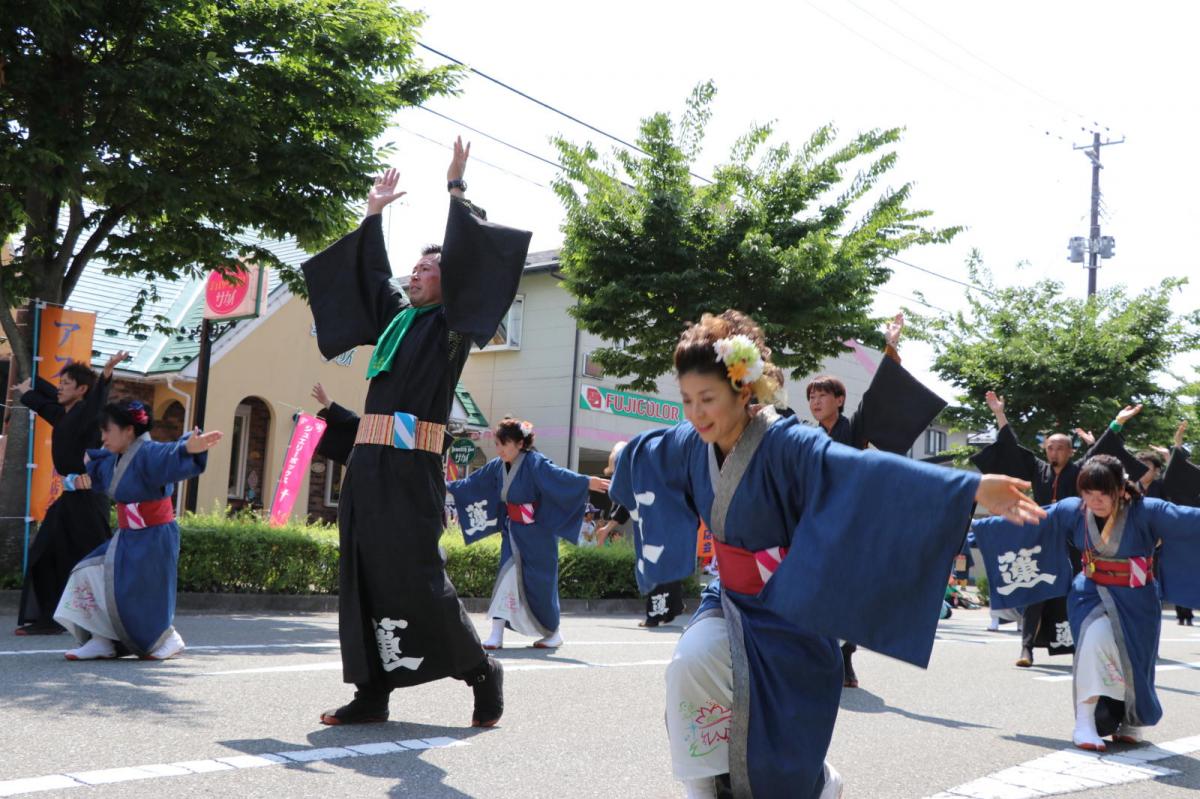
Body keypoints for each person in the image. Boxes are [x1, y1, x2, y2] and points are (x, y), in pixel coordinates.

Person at [609, 310, 1044, 799]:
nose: (696, 413)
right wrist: (623, 456)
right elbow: (649, 450)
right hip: (730, 598)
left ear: (743, 389)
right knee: (689, 666)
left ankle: (820, 782)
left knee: (783, 759)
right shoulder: (691, 441)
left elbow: (861, 471)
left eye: (707, 399)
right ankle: (700, 791)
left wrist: (966, 488)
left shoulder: (788, 443)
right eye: (687, 400)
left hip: (792, 608)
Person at [303, 139, 531, 727]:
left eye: (431, 269)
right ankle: (371, 691)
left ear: (450, 283)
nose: (418, 273)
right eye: (418, 267)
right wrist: (373, 214)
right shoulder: (396, 319)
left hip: (413, 471)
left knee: (417, 575)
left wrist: (455, 189)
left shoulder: (450, 326)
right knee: (361, 573)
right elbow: (373, 272)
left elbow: (474, 261)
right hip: (370, 466)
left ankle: (481, 668)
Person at [973, 454, 1200, 751]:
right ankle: (1085, 722)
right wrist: (972, 536)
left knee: (1134, 661)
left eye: (1103, 492)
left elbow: (1191, 522)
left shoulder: (1148, 511)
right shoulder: (1073, 510)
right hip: (1090, 592)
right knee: (1094, 642)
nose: (1094, 500)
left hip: (1137, 598)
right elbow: (1031, 522)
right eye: (1087, 493)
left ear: (1120, 488)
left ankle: (1130, 722)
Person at [804, 313, 948, 689]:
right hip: (819, 522)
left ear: (839, 399)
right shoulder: (807, 438)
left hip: (856, 521)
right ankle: (818, 657)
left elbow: (880, 393)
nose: (816, 401)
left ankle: (846, 657)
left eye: (822, 395)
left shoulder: (857, 427)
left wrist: (892, 346)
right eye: (811, 396)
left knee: (851, 591)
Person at [973, 392, 1147, 668]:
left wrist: (1117, 423)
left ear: (1070, 451)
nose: (1054, 452)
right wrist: (999, 413)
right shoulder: (1037, 469)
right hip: (1041, 539)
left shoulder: (1080, 470)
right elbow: (1012, 446)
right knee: (1036, 591)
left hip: (1075, 541)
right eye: (1050, 447)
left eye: (1060, 448)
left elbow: (1102, 448)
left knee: (1079, 592)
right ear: (1045, 449)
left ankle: (1083, 647)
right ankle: (1026, 648)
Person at [53, 399, 220, 660]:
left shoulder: (149, 453)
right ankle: (102, 639)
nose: (103, 437)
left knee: (145, 594)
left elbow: (169, 455)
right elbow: (100, 478)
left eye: (107, 430)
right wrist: (74, 481)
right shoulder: (113, 459)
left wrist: (188, 447)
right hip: (128, 536)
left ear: (128, 430)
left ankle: (169, 638)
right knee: (89, 573)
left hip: (155, 538)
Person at [446, 418, 607, 650]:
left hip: (538, 536)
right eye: (497, 444)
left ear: (520, 444)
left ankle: (553, 633)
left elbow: (559, 476)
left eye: (504, 444)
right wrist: (448, 486)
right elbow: (473, 483)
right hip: (513, 533)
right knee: (504, 579)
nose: (499, 450)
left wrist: (585, 482)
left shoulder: (535, 463)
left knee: (540, 587)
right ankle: (496, 634)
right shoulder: (496, 466)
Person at [11, 351, 128, 635]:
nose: (60, 386)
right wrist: (28, 389)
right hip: (71, 498)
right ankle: (51, 619)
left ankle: (119, 618)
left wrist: (107, 373)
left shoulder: (88, 414)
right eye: (60, 382)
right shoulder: (64, 415)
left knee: (95, 559)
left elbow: (98, 398)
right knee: (45, 551)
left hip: (89, 499)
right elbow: (46, 404)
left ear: (82, 390)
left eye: (67, 383)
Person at [599, 441, 686, 628]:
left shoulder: (639, 475)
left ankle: (655, 616)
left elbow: (623, 506)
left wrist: (607, 529)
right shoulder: (648, 471)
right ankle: (672, 608)